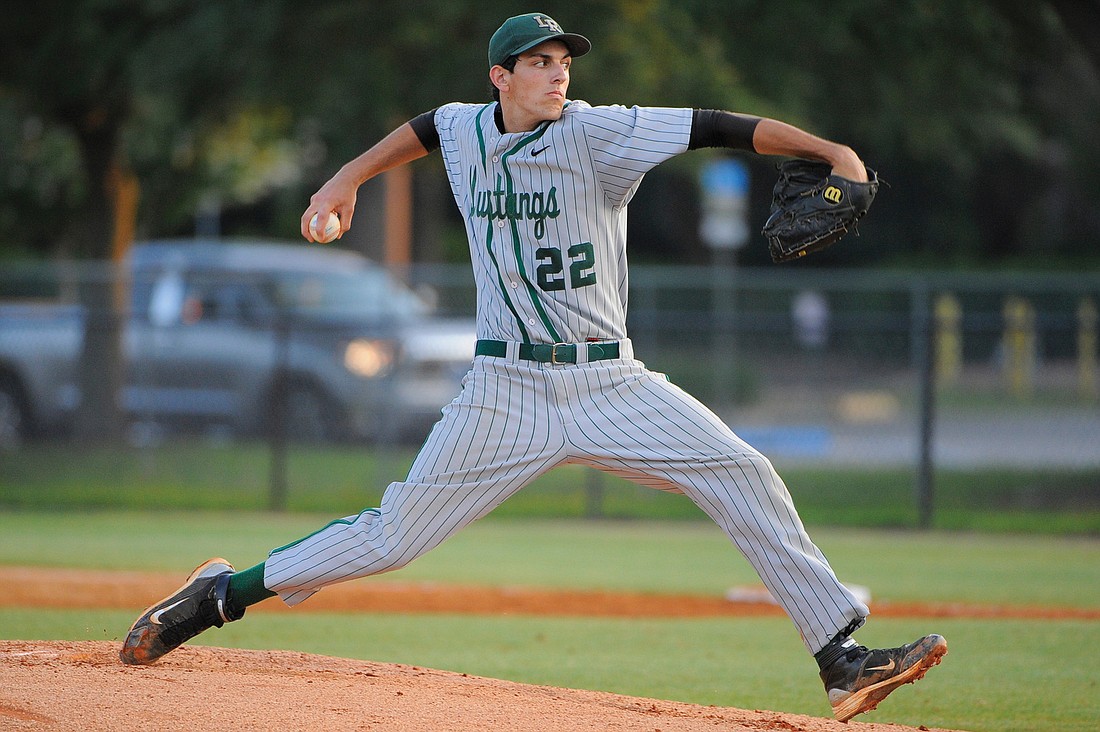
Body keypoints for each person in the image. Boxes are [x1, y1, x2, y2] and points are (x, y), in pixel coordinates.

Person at [120, 12, 946, 722]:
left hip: (608, 384)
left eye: (564, 64)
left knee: (743, 470)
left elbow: (716, 126)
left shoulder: (598, 130)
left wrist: (831, 149)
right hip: (503, 392)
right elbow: (424, 127)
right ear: (500, 77)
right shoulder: (466, 127)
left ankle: (841, 658)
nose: (558, 76)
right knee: (394, 536)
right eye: (541, 64)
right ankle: (220, 594)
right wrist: (344, 179)